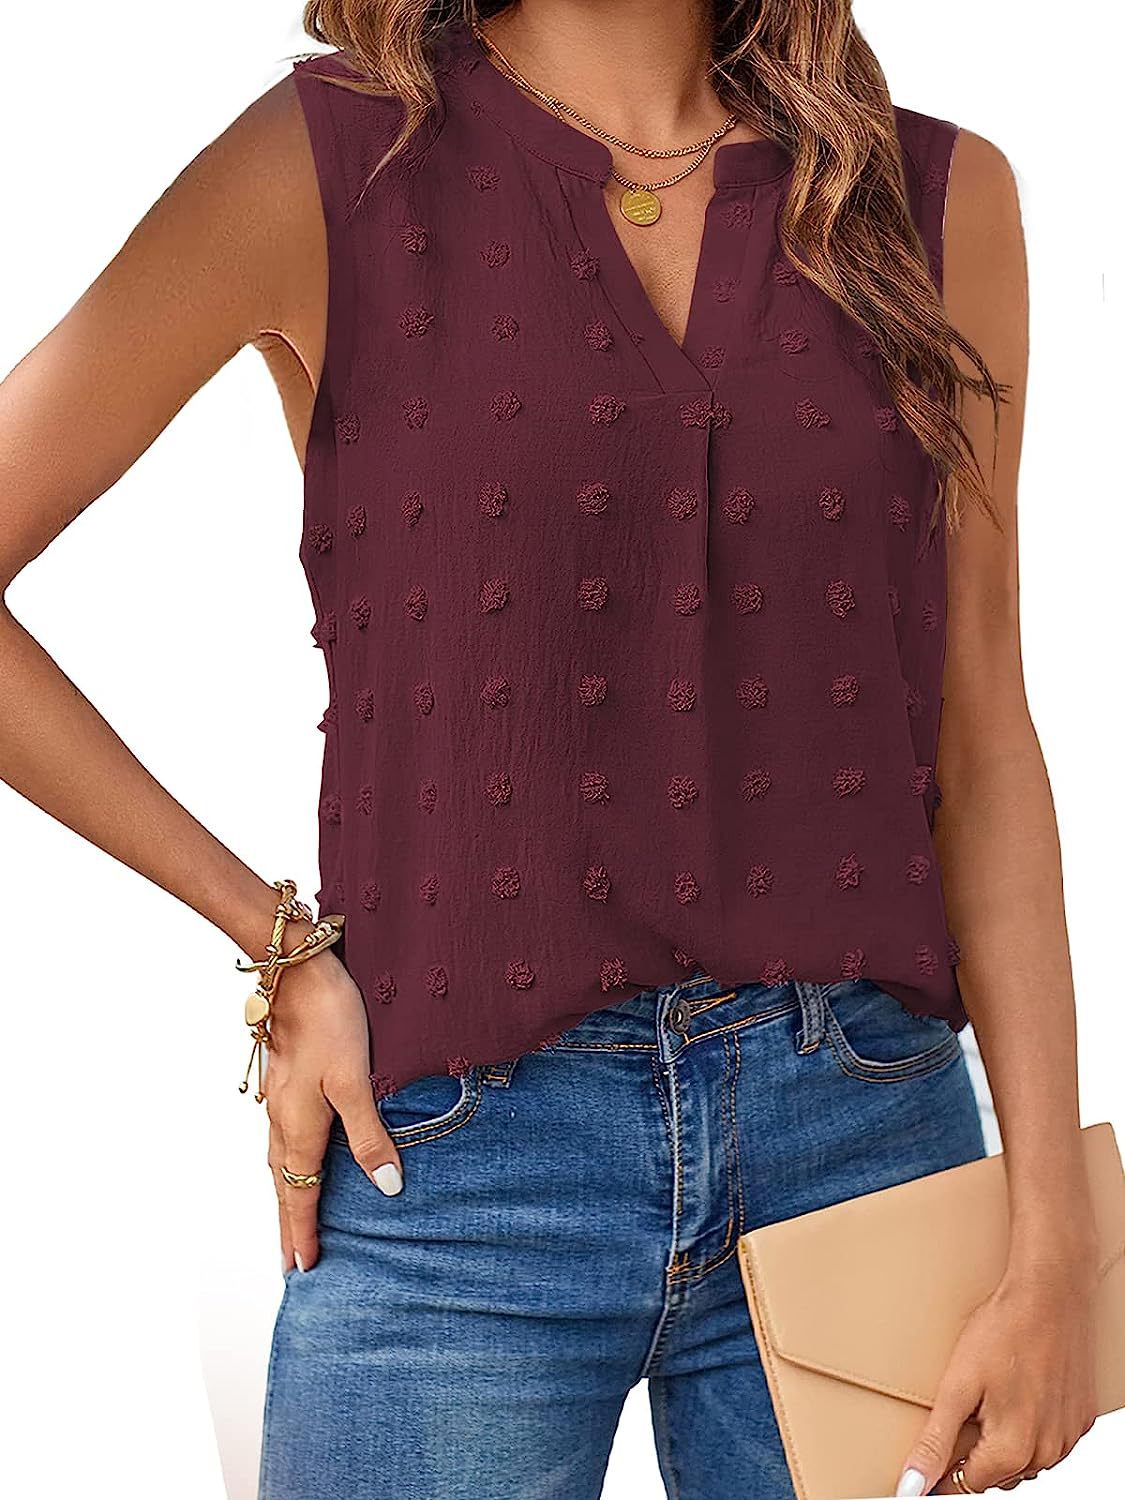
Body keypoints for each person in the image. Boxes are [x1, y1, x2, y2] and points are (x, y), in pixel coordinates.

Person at [0, 3, 1100, 1497]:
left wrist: (1054, 1240)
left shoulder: (930, 199)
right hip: (452, 1171)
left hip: (861, 1148)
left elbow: (982, 720)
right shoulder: (323, 165)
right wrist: (275, 940)